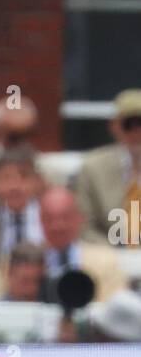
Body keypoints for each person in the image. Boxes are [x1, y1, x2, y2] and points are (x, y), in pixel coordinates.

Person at [75, 89, 141, 245]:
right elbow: (84, 224)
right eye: (129, 124)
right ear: (114, 126)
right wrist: (113, 255)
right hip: (109, 257)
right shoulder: (93, 168)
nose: (137, 132)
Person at [39, 186, 127, 303]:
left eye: (65, 217)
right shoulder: (25, 262)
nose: (58, 226)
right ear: (40, 220)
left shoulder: (106, 261)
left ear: (79, 218)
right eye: (50, 218)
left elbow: (114, 309)